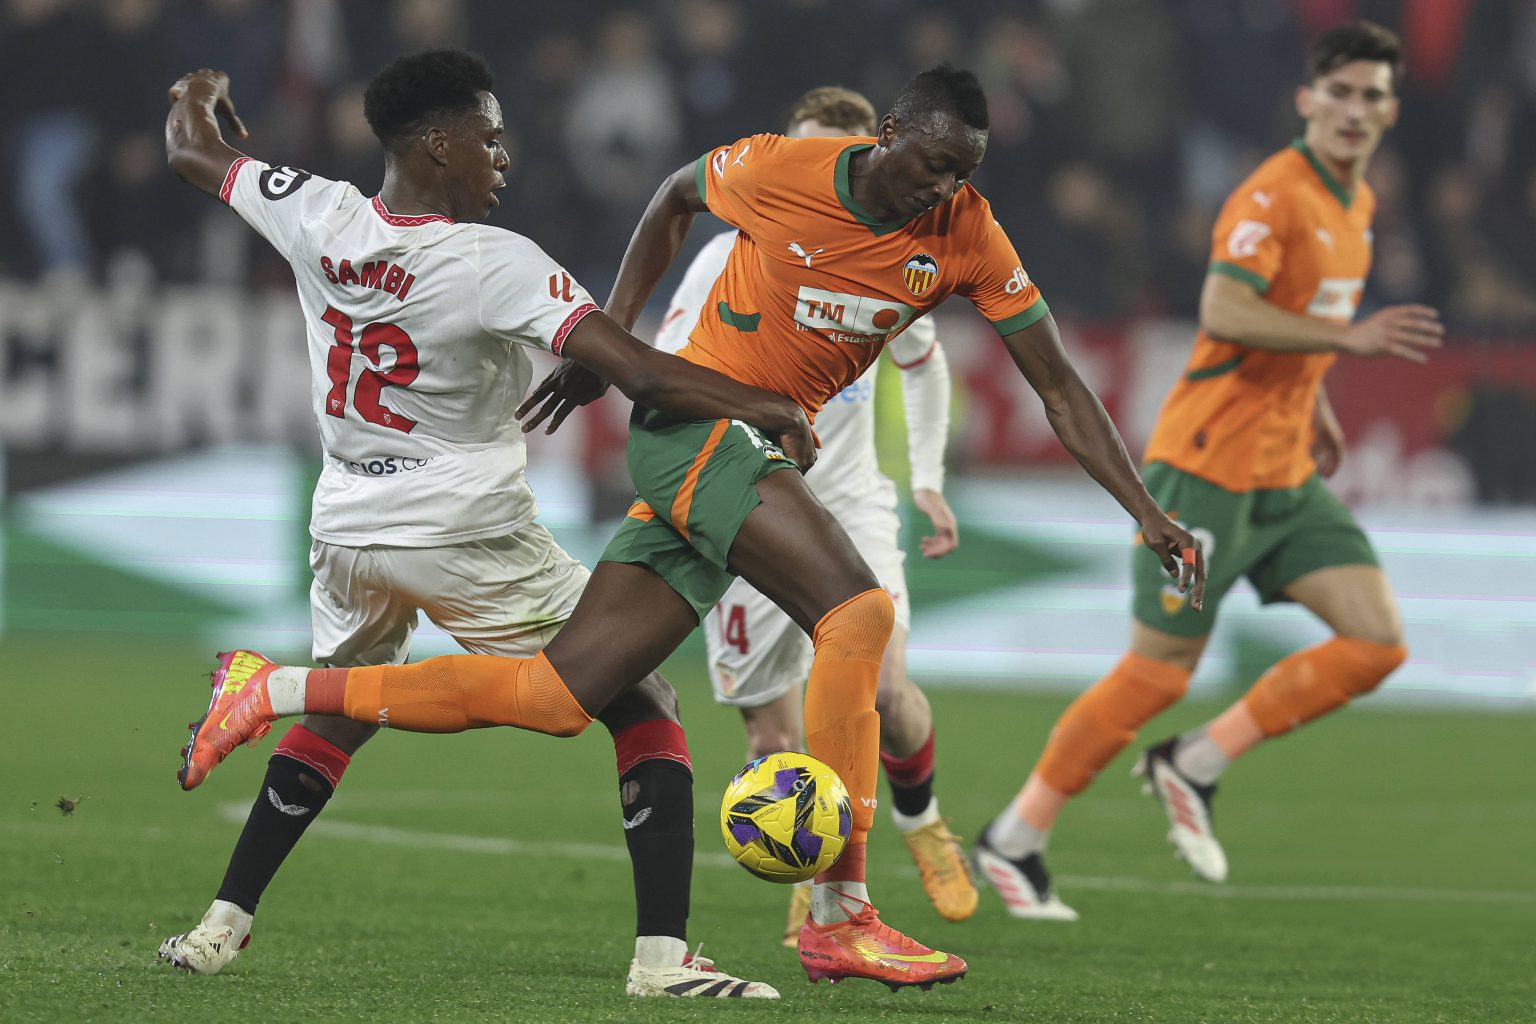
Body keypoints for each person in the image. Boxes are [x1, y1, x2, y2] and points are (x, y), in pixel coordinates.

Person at [183, 63, 1204, 990]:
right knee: (856, 617)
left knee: (558, 695)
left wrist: (1147, 509)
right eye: (933, 165)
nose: (942, 190)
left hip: (657, 462)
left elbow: (1059, 384)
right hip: (699, 432)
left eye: (962, 174)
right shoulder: (784, 172)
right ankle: (841, 912)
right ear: (891, 132)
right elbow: (676, 196)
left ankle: (273, 688)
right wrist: (630, 333)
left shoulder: (968, 233)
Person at [158, 50, 815, 999]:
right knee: (641, 700)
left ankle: (220, 926)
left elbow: (191, 150)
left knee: (350, 706)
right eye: (489, 134)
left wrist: (200, 91)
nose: (503, 153)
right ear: (436, 144)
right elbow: (645, 374)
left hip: (346, 522)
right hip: (462, 526)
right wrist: (765, 404)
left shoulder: (317, 208)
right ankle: (663, 964)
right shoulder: (493, 264)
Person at [974, 21, 1442, 918]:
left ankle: (1195, 760)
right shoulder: (1275, 194)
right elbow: (1226, 307)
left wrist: (1320, 404)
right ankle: (1016, 835)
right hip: (1207, 470)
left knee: (1376, 640)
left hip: (1282, 473)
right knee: (1158, 674)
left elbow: (1286, 322)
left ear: (1389, 110)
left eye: (1372, 95)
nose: (1354, 110)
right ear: (1307, 100)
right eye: (1338, 92)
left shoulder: (1358, 205)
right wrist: (1349, 340)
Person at [652, 85, 976, 943]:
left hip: (849, 497)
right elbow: (671, 372)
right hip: (748, 498)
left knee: (887, 688)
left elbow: (924, 359)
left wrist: (929, 479)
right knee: (771, 735)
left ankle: (920, 819)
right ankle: (815, 871)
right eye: (799, 152)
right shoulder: (725, 254)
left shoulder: (895, 243)